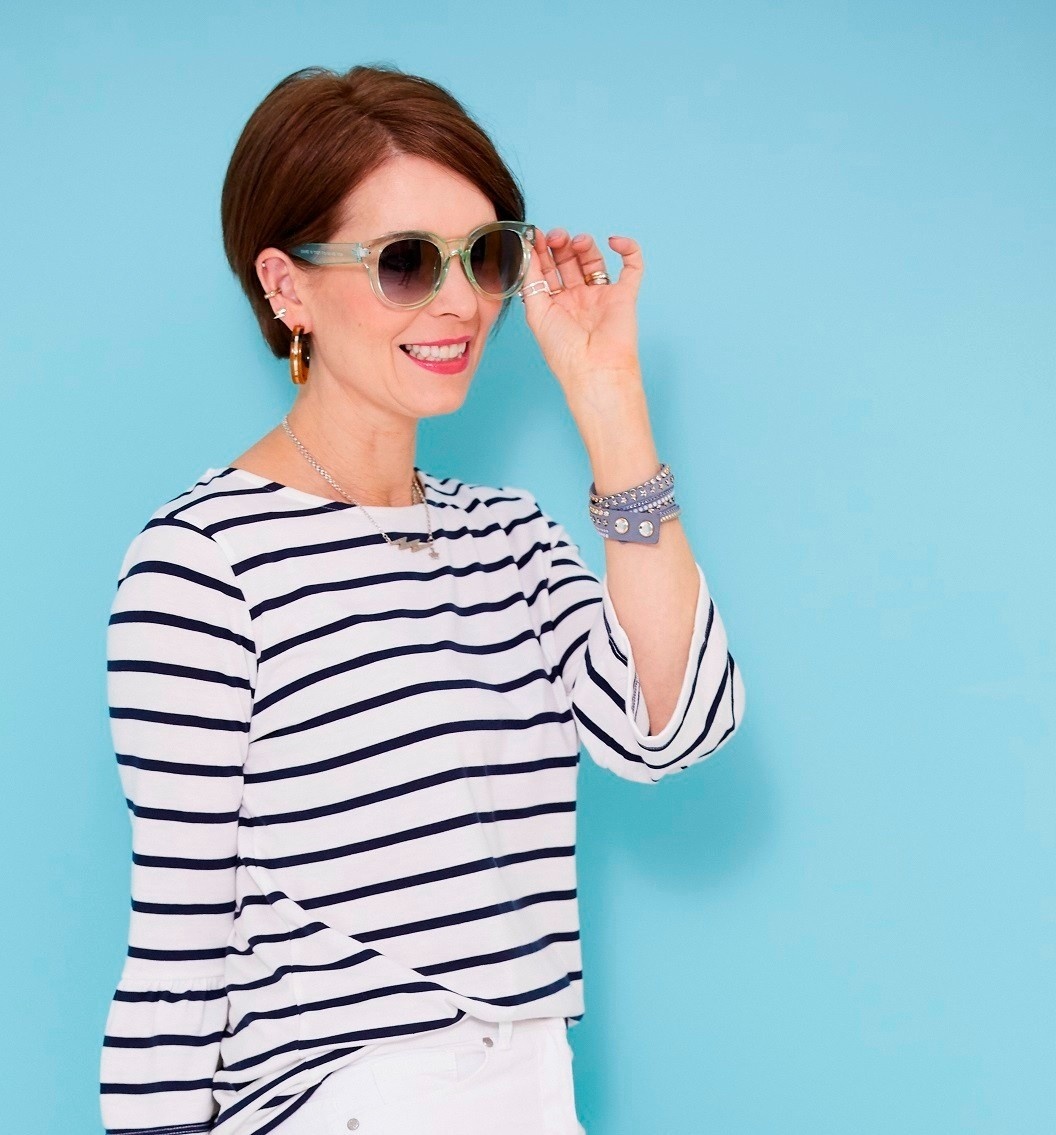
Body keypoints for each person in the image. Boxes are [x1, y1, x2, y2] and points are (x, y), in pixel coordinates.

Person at [98, 63, 746, 1135]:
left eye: (484, 256)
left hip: (528, 1090)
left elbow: (669, 731)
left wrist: (607, 396)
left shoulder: (510, 537)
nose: (458, 303)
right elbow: (177, 938)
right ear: (286, 286)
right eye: (405, 261)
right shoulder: (204, 560)